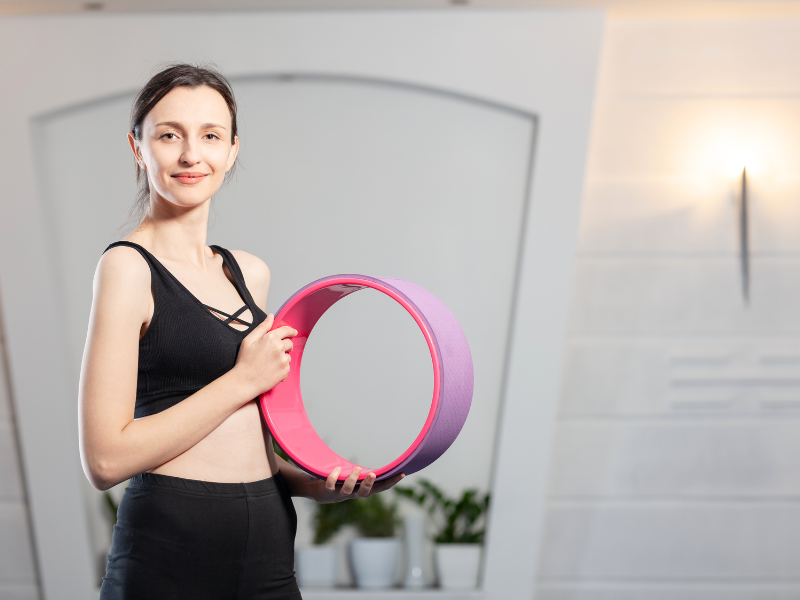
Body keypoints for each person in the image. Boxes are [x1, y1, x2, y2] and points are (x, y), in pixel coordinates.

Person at [78, 63, 405, 599]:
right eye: (168, 135)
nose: (191, 155)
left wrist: (328, 485)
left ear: (231, 151)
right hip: (169, 552)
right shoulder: (127, 268)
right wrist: (240, 380)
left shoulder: (249, 272)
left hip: (267, 548)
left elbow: (253, 445)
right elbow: (105, 459)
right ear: (138, 148)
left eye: (210, 136)